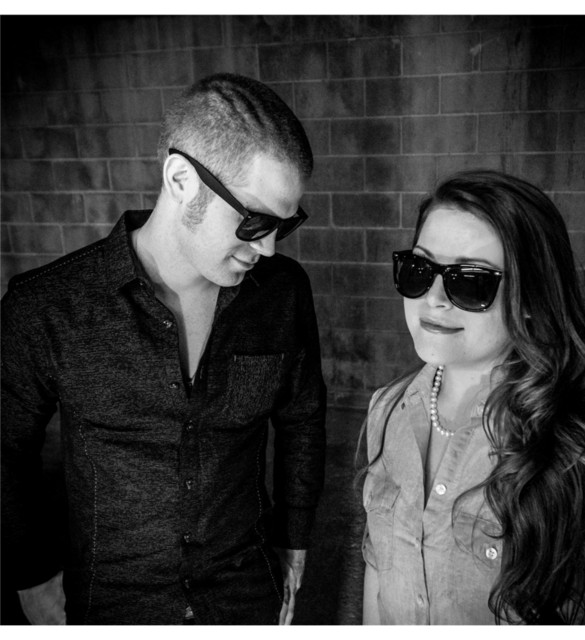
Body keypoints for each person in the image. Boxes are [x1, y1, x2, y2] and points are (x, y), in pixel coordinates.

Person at [1, 73, 326, 625]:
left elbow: (302, 418)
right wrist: (31, 575)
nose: (269, 247)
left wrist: (294, 538)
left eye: (286, 223)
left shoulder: (282, 294)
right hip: (110, 603)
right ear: (181, 180)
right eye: (255, 220)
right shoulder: (47, 307)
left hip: (244, 592)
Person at [359, 170, 585, 624]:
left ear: (530, 298)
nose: (434, 298)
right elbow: (378, 574)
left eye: (470, 281)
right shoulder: (387, 410)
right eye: (419, 269)